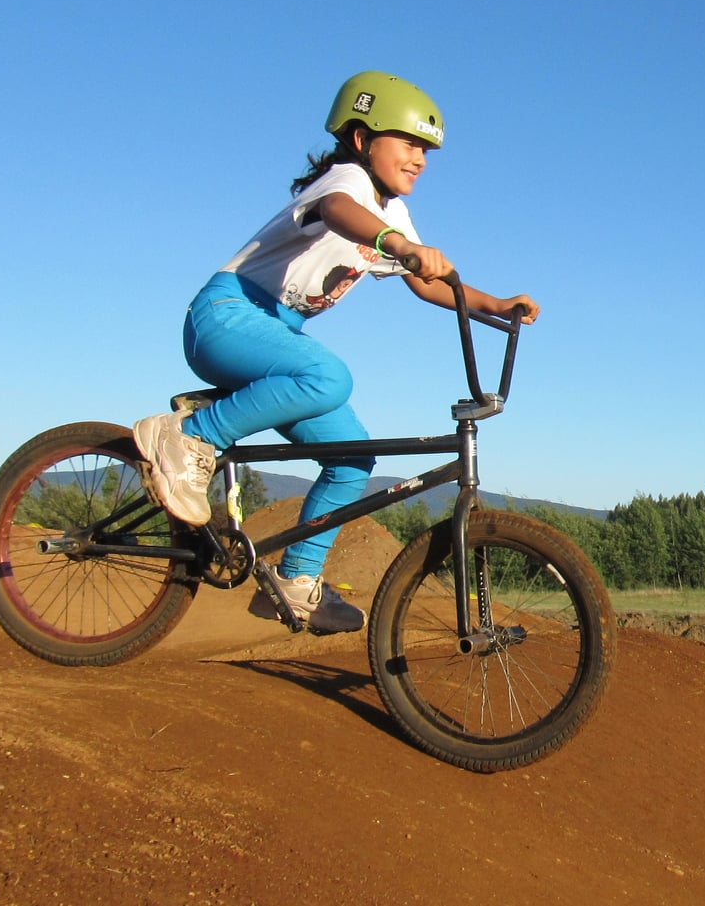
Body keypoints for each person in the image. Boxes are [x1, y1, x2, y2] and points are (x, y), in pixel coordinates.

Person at [134, 71, 540, 633]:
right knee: (329, 375)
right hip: (226, 316)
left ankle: (297, 579)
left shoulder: (391, 211)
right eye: (408, 142)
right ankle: (189, 437)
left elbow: (423, 283)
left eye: (426, 149)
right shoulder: (342, 183)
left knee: (352, 459)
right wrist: (397, 244)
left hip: (278, 332)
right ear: (359, 139)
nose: (419, 158)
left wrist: (497, 304)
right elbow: (340, 216)